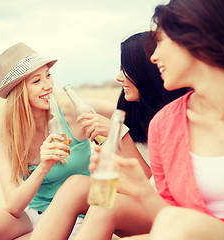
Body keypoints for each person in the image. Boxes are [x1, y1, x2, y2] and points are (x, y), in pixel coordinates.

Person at [90, 0, 224, 239]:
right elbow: (169, 218)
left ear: (193, 37)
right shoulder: (163, 124)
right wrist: (142, 190)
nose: (154, 56)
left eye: (159, 42)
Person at [30, 32, 189, 240]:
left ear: (145, 71)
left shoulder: (175, 116)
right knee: (76, 185)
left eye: (126, 69)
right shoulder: (132, 109)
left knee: (102, 205)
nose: (119, 77)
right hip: (135, 202)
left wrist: (120, 134)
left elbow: (155, 186)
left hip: (164, 208)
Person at [0, 42, 110, 240]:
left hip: (76, 216)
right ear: (19, 91)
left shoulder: (71, 109)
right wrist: (43, 167)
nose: (48, 85)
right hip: (31, 215)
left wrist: (110, 132)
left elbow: (127, 113)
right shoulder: (2, 131)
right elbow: (13, 206)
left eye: (48, 75)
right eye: (36, 81)